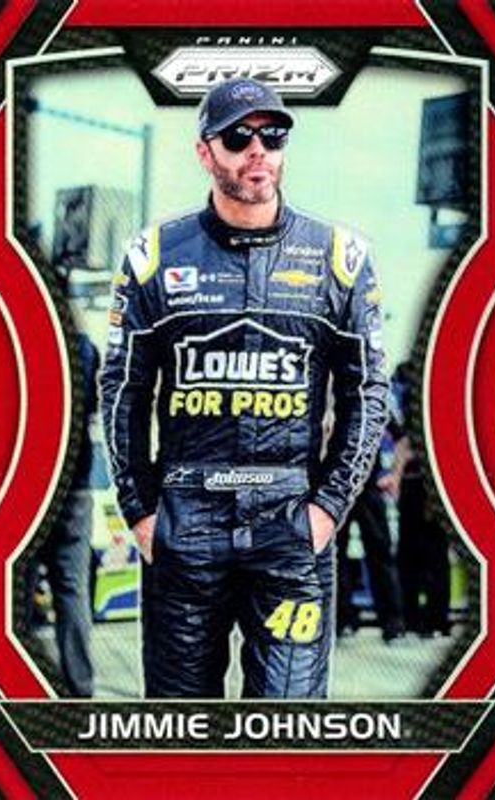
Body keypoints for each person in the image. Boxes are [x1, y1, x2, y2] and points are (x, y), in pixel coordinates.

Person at [101, 78, 389, 698]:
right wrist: (141, 511)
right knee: (180, 729)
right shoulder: (153, 255)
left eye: (273, 134)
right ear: (205, 152)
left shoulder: (339, 257)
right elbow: (122, 388)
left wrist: (328, 508)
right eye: (238, 136)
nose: (258, 149)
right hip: (185, 521)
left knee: (288, 729)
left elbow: (368, 391)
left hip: (291, 526)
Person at [26, 328, 99, 696]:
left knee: (18, 593)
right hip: (74, 487)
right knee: (72, 590)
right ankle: (80, 688)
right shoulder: (84, 348)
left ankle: (19, 681)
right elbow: (93, 409)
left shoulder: (20, 343)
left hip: (27, 489)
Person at [391, 362, 451, 637]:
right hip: (416, 482)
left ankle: (434, 618)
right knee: (412, 553)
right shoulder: (406, 384)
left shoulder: (438, 399)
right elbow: (402, 439)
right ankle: (416, 617)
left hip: (431, 483)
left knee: (432, 553)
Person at [336, 431, 405, 644]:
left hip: (368, 487)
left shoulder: (375, 408)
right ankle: (340, 622)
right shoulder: (326, 406)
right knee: (333, 557)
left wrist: (395, 475)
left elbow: (402, 437)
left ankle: (393, 625)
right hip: (336, 488)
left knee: (381, 554)